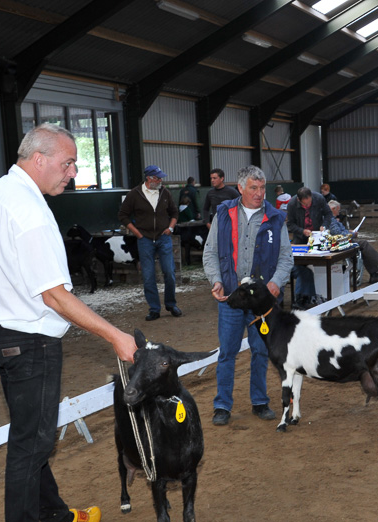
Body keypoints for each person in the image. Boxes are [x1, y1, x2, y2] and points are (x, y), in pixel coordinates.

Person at [0, 123, 138, 522]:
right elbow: (54, 296)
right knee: (30, 446)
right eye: (68, 163)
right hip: (29, 341)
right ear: (39, 159)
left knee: (32, 433)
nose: (73, 173)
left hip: (0, 336)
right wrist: (115, 336)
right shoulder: (29, 212)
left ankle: (54, 519)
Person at [202, 165, 293, 427]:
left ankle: (260, 401)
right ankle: (222, 405)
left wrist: (276, 283)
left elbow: (286, 257)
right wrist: (216, 280)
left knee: (261, 351)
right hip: (231, 298)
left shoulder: (276, 218)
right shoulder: (224, 213)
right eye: (254, 188)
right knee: (227, 353)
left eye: (262, 187)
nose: (259, 193)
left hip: (262, 304)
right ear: (240, 188)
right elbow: (210, 252)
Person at [118, 164, 182, 321]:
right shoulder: (134, 194)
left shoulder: (164, 192)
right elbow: (123, 215)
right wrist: (138, 233)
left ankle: (171, 304)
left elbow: (174, 212)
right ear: (149, 178)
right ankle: (154, 308)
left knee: (169, 272)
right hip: (144, 239)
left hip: (163, 237)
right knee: (148, 275)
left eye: (160, 178)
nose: (161, 180)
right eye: (158, 178)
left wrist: (170, 228)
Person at [285, 186, 334, 306]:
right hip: (300, 240)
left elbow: (328, 214)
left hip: (318, 237)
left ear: (311, 197)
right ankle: (304, 298)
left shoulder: (319, 198)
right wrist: (302, 231)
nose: (307, 206)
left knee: (314, 267)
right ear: (299, 200)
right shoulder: (291, 204)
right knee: (301, 268)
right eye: (304, 204)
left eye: (309, 203)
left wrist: (325, 225)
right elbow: (290, 224)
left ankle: (307, 297)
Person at [329, 200, 378, 283]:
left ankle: (375, 273)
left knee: (363, 248)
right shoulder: (331, 220)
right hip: (340, 243)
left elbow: (339, 232)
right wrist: (352, 234)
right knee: (363, 244)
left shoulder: (332, 220)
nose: (338, 213)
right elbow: (338, 234)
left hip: (343, 241)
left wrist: (349, 231)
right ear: (333, 209)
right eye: (338, 210)